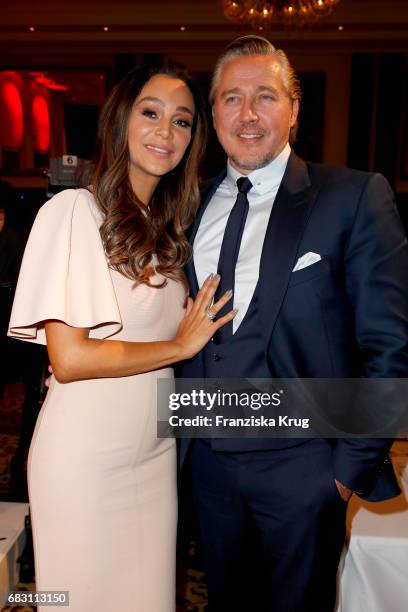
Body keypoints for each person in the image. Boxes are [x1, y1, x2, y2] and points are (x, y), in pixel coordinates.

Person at [179, 36, 408, 612]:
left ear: (294, 108)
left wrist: (346, 468)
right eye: (231, 98)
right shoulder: (185, 206)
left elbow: (389, 344)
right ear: (213, 114)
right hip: (201, 461)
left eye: (266, 96)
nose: (248, 113)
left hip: (304, 464)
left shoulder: (352, 196)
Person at [8, 64, 235, 612]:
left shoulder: (167, 233)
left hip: (154, 455)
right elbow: (69, 357)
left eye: (182, 121)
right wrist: (179, 347)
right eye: (151, 113)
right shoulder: (75, 211)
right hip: (84, 455)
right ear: (120, 121)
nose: (166, 131)